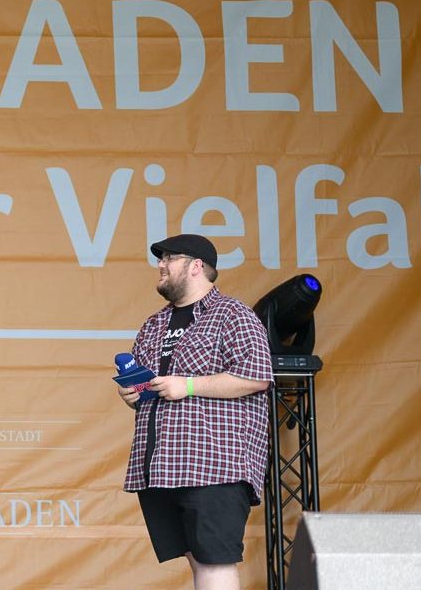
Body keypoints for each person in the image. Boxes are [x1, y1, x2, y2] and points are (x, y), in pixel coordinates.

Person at [117, 234, 273, 590]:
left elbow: (257, 376)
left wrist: (187, 385)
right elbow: (151, 386)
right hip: (160, 466)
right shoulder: (153, 325)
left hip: (213, 465)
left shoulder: (234, 315)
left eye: (169, 258)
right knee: (198, 563)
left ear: (196, 266)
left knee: (215, 563)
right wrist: (135, 393)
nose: (160, 265)